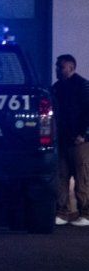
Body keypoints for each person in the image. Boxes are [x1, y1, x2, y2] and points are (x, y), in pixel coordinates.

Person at [52, 54, 89, 227]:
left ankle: (85, 213)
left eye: (61, 66)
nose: (57, 70)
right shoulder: (57, 88)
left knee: (82, 178)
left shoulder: (83, 86)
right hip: (64, 140)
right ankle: (62, 211)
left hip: (78, 141)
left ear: (71, 67)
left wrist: (84, 135)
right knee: (62, 176)